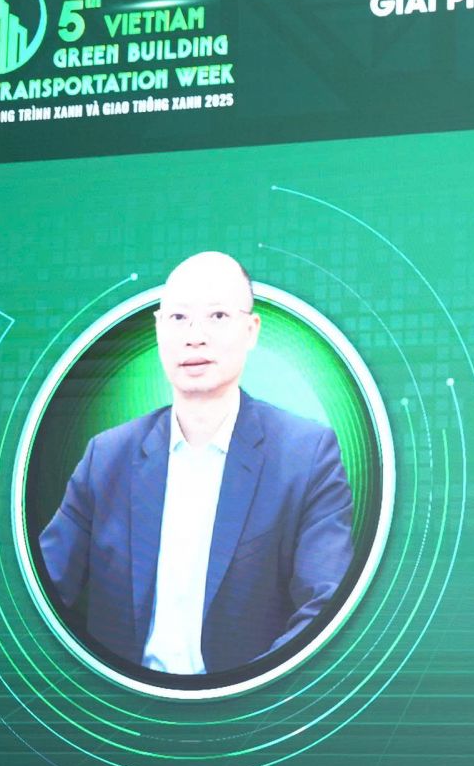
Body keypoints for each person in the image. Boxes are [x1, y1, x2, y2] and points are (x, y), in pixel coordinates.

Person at [38, 252, 354, 676]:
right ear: (158, 330)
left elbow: (325, 605)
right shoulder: (106, 457)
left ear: (251, 330)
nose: (195, 337)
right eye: (179, 318)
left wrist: (236, 697)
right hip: (120, 704)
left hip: (249, 705)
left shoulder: (306, 455)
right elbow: (40, 591)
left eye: (218, 316)